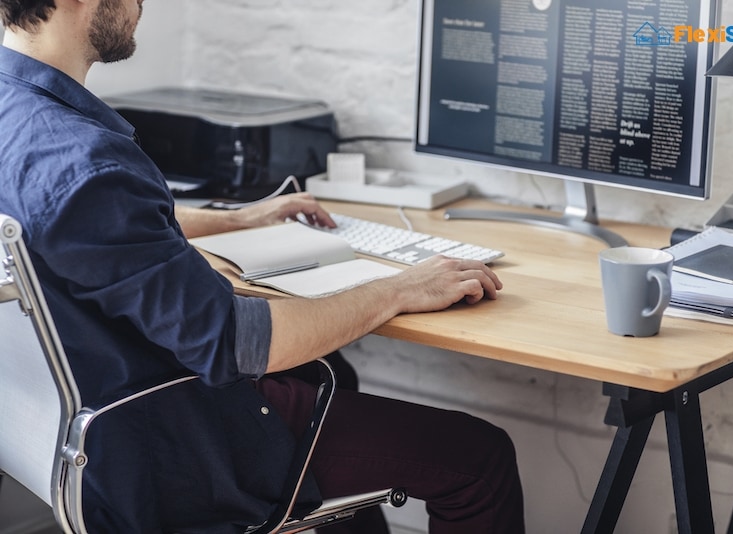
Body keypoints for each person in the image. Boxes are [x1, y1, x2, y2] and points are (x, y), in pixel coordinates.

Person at [0, 1, 526, 533]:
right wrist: (399, 288)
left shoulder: (22, 116)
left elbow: (90, 225)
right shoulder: (87, 161)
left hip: (72, 434)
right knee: (480, 461)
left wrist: (239, 218)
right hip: (162, 444)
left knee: (332, 373)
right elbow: (237, 343)